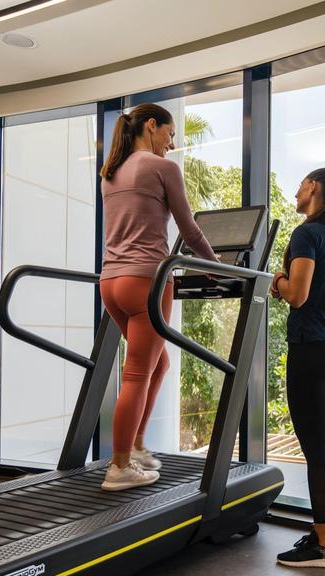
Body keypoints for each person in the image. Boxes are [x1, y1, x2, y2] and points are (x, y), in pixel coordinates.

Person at [98, 103, 219, 491]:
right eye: (169, 135)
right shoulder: (162, 168)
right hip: (147, 281)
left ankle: (134, 445)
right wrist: (219, 266)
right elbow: (191, 230)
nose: (171, 145)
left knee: (159, 363)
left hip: (111, 283)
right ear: (151, 126)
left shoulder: (110, 174)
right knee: (137, 374)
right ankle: (119, 466)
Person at [271, 168, 325, 568]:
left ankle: (323, 545)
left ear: (314, 189)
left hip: (312, 350)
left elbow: (298, 295)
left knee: (315, 450)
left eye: (302, 181)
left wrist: (278, 282)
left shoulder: (306, 233)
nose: (297, 187)